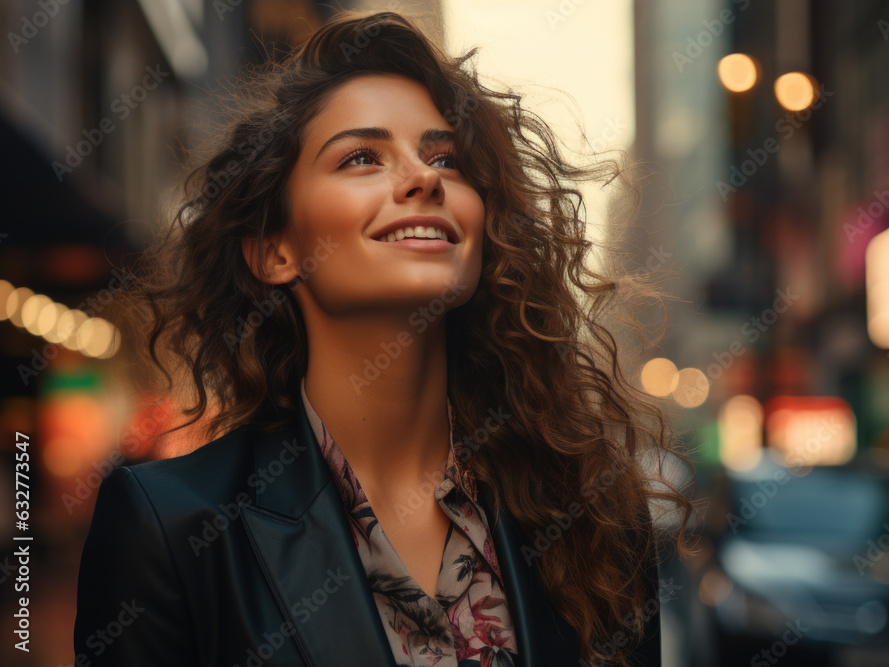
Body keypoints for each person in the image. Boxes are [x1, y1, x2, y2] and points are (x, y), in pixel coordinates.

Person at [73, 10, 693, 667]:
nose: (424, 178)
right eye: (362, 157)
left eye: (445, 157)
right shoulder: (173, 528)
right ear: (273, 250)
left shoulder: (595, 522)